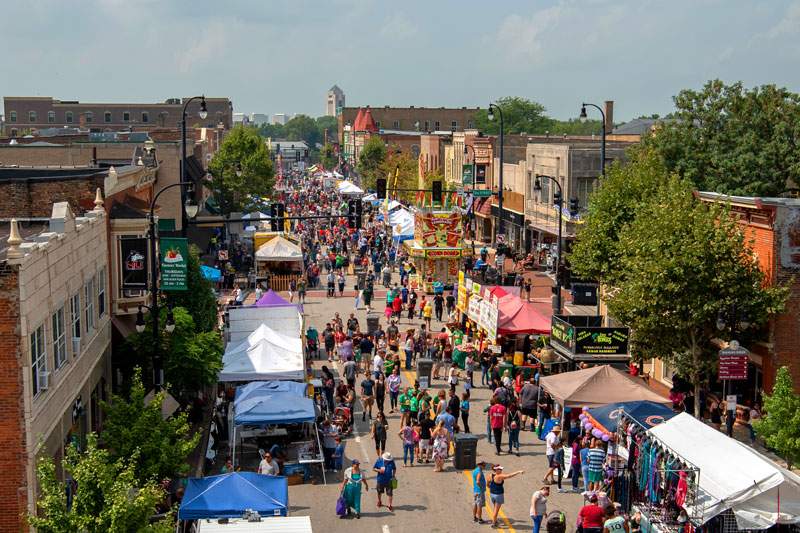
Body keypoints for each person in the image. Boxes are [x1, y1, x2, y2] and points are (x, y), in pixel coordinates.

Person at [472, 460, 488, 524]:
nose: (484, 466)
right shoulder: (479, 472)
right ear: (480, 466)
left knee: (475, 503)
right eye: (483, 465)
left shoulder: (475, 470)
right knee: (479, 505)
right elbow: (478, 481)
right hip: (479, 491)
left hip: (475, 490)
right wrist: (481, 487)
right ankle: (480, 519)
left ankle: (474, 517)